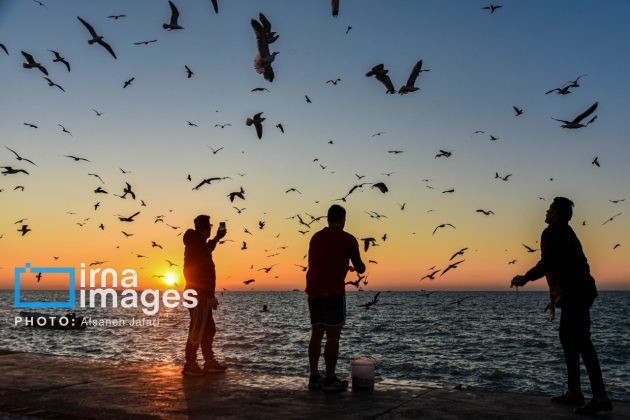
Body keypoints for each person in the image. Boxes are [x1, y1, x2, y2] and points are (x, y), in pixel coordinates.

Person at [511, 197, 612, 415]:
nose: (546, 212)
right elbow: (565, 266)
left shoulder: (552, 232)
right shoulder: (567, 232)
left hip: (575, 294)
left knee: (581, 342)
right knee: (570, 340)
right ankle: (575, 392)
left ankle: (600, 396)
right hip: (579, 293)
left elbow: (548, 263)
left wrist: (525, 278)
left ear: (556, 213)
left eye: (549, 209)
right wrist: (555, 298)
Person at [306, 205, 366, 391]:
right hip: (333, 292)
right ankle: (330, 379)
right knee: (333, 336)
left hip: (314, 292)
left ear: (328, 218)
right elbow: (360, 267)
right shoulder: (347, 239)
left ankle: (314, 377)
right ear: (342, 219)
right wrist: (354, 264)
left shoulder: (315, 237)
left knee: (316, 334)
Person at [182, 215, 227, 376]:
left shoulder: (197, 244)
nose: (210, 229)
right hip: (198, 295)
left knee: (208, 328)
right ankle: (190, 364)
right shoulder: (196, 245)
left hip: (200, 295)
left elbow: (206, 250)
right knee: (197, 330)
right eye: (209, 227)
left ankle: (209, 361)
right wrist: (208, 296)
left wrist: (216, 238)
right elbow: (201, 274)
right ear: (204, 229)